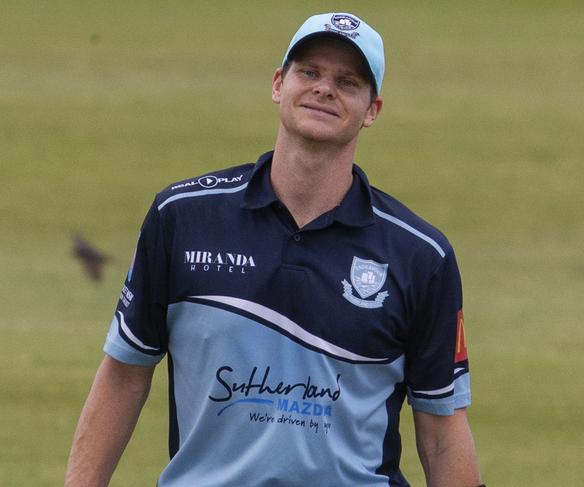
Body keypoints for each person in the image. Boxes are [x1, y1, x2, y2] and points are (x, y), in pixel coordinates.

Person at [65, 12, 483, 487]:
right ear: (278, 84)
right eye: (309, 73)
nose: (325, 89)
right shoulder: (182, 217)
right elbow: (124, 375)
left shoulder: (421, 256)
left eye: (348, 81)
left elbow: (441, 430)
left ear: (373, 110)